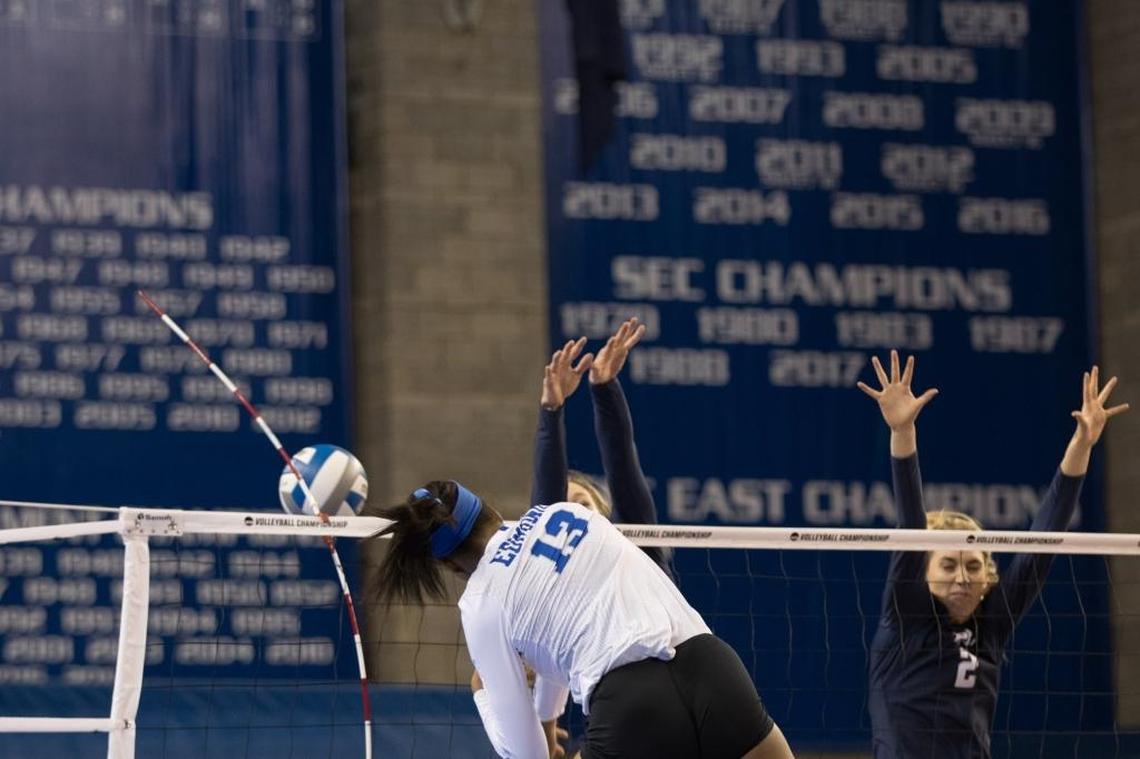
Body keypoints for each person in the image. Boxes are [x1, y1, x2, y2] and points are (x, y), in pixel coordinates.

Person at [364, 482, 794, 759]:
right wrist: (548, 722)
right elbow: (563, 637)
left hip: (632, 706)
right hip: (711, 664)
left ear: (451, 568)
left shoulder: (479, 604)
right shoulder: (566, 514)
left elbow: (527, 754)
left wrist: (482, 696)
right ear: (491, 510)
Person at [857, 352, 1129, 758]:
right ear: (924, 574)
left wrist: (1082, 443)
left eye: (973, 566)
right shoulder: (906, 613)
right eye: (948, 565)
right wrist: (903, 432)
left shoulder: (993, 622)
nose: (963, 578)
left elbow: (1045, 538)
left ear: (989, 576)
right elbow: (911, 524)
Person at [532, 317, 672, 578]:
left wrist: (604, 388)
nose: (574, 514)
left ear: (604, 513)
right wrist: (551, 409)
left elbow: (622, 467)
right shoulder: (548, 574)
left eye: (583, 503)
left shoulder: (636, 548)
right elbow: (545, 503)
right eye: (566, 507)